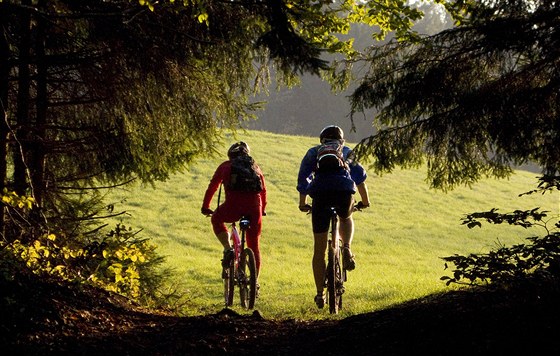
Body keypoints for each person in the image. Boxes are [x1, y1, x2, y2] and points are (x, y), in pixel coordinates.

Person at [297, 125, 370, 309]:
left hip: (320, 195)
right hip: (343, 194)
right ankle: (346, 247)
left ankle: (320, 293)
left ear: (322, 140)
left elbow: (303, 179)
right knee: (346, 216)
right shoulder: (346, 151)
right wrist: (365, 201)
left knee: (319, 251)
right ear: (341, 140)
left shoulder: (313, 152)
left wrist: (302, 202)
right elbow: (359, 178)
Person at [201, 141, 267, 280]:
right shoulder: (255, 167)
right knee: (253, 244)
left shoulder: (226, 166)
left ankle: (228, 248)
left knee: (217, 219)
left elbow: (213, 186)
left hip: (233, 206)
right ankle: (255, 282)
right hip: (254, 208)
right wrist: (263, 210)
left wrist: (206, 206)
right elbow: (263, 190)